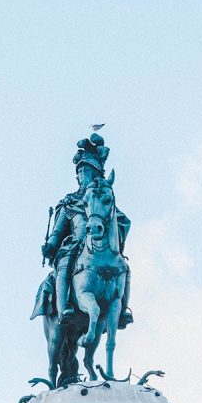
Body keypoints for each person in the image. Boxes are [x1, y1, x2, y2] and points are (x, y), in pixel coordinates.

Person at [32, 133, 133, 328]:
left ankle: (122, 311)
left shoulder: (102, 200)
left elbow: (123, 222)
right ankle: (64, 309)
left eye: (85, 171)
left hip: (101, 247)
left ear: (95, 174)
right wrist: (51, 245)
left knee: (125, 268)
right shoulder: (69, 202)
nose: (81, 176)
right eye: (79, 173)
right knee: (64, 266)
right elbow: (58, 230)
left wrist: (116, 238)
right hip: (74, 245)